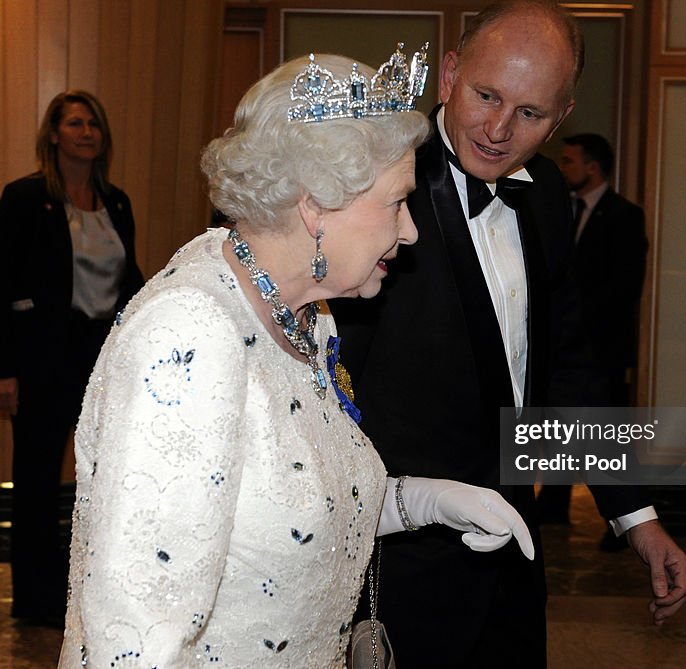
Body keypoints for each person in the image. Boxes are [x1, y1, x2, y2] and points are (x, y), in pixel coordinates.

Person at [57, 47, 535, 668]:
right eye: (396, 202)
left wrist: (423, 502)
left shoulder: (309, 317)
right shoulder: (191, 335)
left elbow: (292, 513)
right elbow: (136, 637)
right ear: (314, 204)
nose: (411, 229)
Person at [331, 2, 686, 666]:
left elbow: (567, 366)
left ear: (562, 116)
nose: (498, 130)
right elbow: (328, 384)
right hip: (395, 566)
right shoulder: (372, 186)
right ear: (449, 75)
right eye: (486, 95)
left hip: (514, 563)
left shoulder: (547, 192)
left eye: (529, 114)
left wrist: (635, 515)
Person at [0, 90, 145, 628]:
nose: (87, 131)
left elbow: (130, 281)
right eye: (74, 123)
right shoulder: (25, 198)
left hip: (102, 357)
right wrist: (0, 368)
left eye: (93, 123)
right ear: (53, 135)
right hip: (41, 358)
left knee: (105, 473)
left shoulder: (116, 201)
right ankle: (34, 598)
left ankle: (92, 589)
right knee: (36, 478)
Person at [537, 133, 650, 537]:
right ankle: (552, 506)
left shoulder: (624, 215)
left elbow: (622, 288)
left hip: (601, 347)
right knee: (558, 428)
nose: (563, 168)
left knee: (606, 433)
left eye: (570, 161)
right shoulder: (559, 210)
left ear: (593, 168)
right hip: (563, 348)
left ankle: (621, 526)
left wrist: (581, 326)